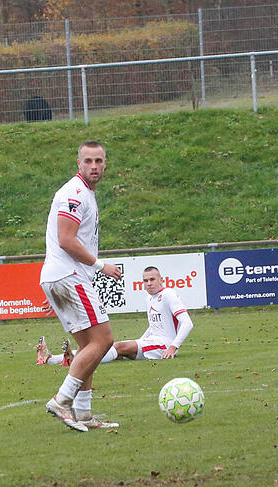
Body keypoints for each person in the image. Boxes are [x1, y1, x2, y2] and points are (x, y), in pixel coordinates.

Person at [38, 140, 122, 432]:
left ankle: (84, 414)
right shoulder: (75, 193)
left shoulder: (84, 193)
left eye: (99, 161)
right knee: (104, 340)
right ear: (79, 164)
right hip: (68, 275)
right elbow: (66, 239)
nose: (94, 166)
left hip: (61, 276)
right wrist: (101, 266)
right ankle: (61, 400)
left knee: (89, 347)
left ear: (105, 163)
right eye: (88, 161)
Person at [37, 266, 194, 366]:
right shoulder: (149, 298)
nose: (149, 283)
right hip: (153, 342)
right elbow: (154, 326)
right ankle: (51, 359)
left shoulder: (168, 294)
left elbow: (187, 323)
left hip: (164, 346)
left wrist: (173, 347)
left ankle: (75, 361)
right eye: (145, 281)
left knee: (117, 347)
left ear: (161, 280)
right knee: (113, 350)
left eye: (152, 279)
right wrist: (141, 340)